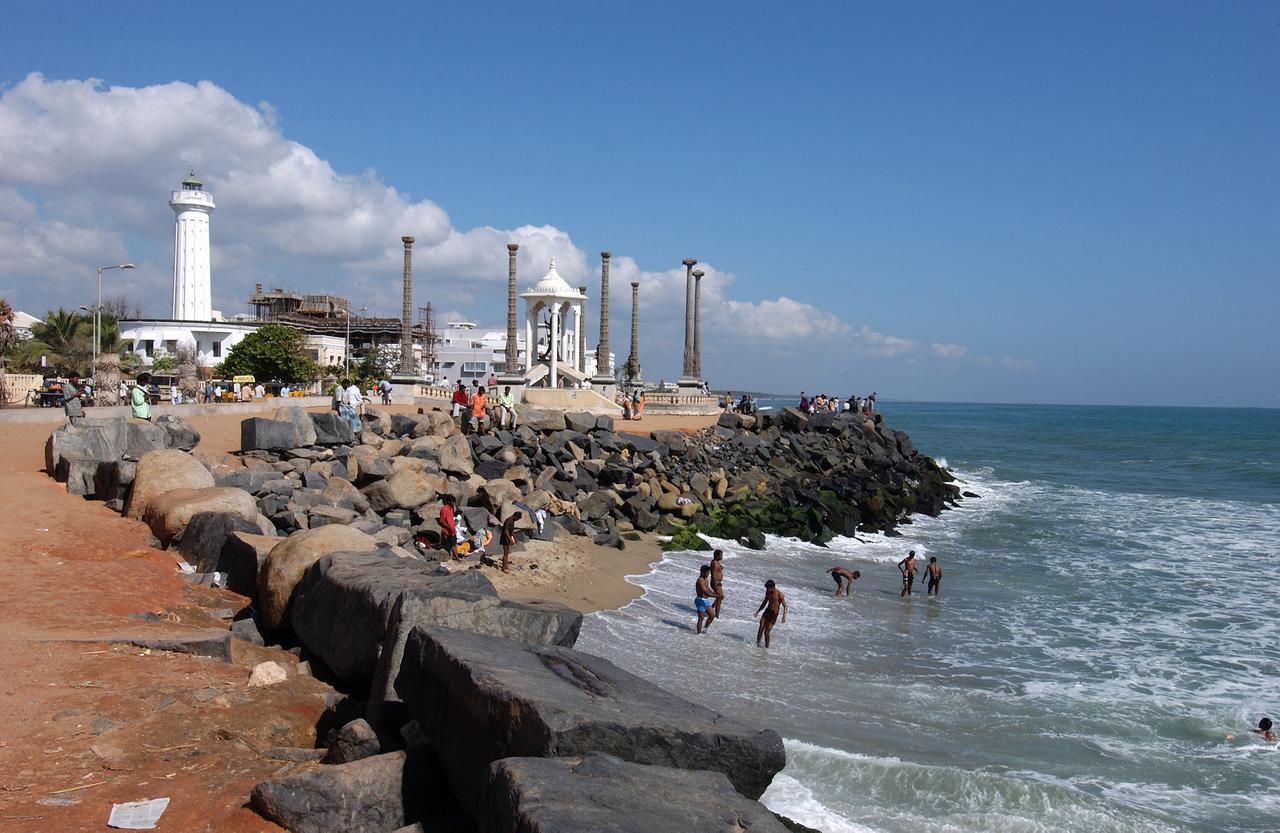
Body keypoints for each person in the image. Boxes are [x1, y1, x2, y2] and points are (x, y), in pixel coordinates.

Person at [753, 579, 787, 648]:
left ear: (772, 587)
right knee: (760, 628)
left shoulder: (779, 594)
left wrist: (784, 616)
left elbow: (785, 606)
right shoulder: (768, 592)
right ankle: (758, 644)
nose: (766, 590)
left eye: (767, 588)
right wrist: (758, 611)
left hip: (773, 615)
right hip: (767, 612)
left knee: (766, 633)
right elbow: (764, 602)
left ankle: (766, 648)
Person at [695, 564, 717, 634]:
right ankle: (698, 634)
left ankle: (704, 630)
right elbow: (705, 592)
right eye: (707, 573)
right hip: (700, 600)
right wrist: (716, 596)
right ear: (703, 572)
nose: (708, 574)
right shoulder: (700, 581)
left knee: (712, 615)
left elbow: (708, 589)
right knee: (701, 618)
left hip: (706, 601)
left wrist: (715, 594)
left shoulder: (706, 580)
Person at [438, 495, 459, 559]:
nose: (453, 503)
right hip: (448, 529)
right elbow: (441, 521)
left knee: (455, 542)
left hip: (452, 529)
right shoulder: (444, 509)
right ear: (448, 501)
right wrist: (449, 527)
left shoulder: (451, 508)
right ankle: (457, 558)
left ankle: (456, 556)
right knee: (452, 544)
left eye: (453, 501)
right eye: (452, 501)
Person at [710, 549, 726, 618]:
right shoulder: (714, 563)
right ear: (716, 556)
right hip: (715, 583)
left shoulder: (717, 562)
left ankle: (710, 609)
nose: (722, 556)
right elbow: (713, 575)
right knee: (719, 598)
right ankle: (717, 615)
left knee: (719, 598)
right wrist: (715, 585)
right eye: (721, 555)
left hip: (718, 583)